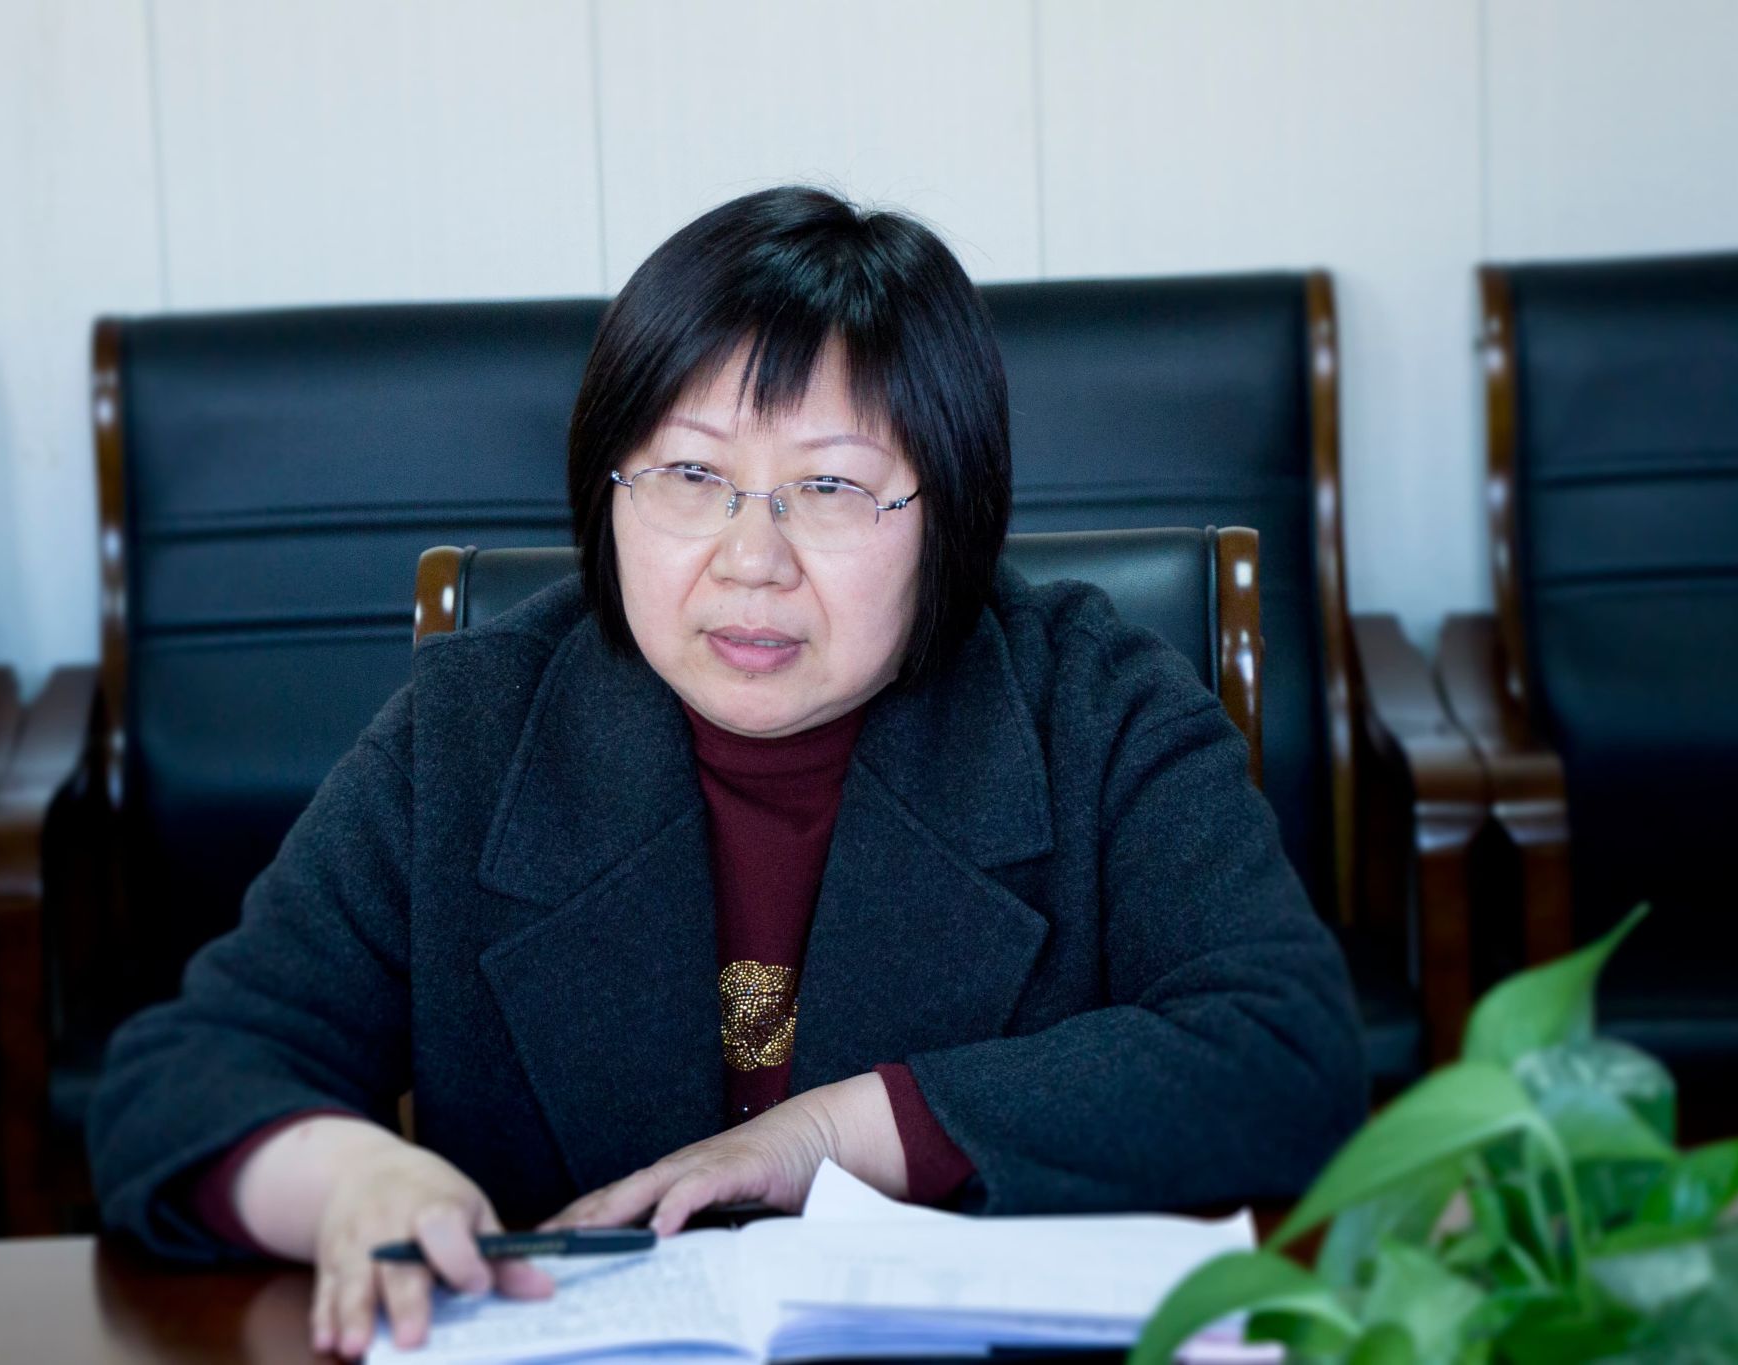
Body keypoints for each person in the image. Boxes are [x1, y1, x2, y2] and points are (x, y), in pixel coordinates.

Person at [89, 186, 1365, 1359]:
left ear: (950, 516)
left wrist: (835, 1135)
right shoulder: (473, 731)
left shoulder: (1094, 706)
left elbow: (1287, 1052)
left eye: (830, 487)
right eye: (691, 476)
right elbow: (181, 1079)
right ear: (608, 489)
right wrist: (354, 1180)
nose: (750, 561)